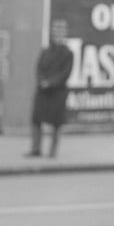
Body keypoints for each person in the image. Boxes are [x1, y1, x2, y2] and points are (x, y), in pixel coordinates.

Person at [27, 21, 74, 158]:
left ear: (65, 33)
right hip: (42, 91)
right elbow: (38, 68)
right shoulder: (46, 50)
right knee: (36, 120)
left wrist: (51, 83)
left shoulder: (68, 53)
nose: (58, 32)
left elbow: (65, 73)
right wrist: (42, 81)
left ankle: (52, 152)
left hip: (57, 92)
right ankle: (36, 149)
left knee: (56, 123)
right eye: (55, 29)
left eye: (61, 29)